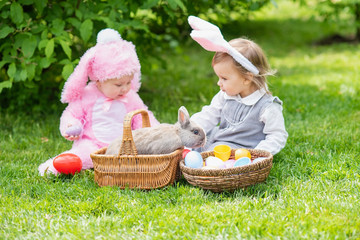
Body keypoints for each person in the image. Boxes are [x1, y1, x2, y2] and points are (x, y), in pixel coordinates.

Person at [38, 28, 159, 176]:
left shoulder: (131, 97)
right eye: (118, 85)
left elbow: (143, 117)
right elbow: (72, 114)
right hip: (92, 144)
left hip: (123, 147)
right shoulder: (88, 95)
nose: (125, 88)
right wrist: (72, 126)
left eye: (128, 82)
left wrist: (156, 133)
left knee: (142, 152)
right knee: (83, 154)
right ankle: (61, 165)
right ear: (100, 81)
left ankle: (124, 163)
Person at [188, 16, 288, 155]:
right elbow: (208, 115)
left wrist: (259, 154)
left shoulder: (267, 107)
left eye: (224, 78)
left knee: (210, 159)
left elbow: (277, 135)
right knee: (196, 143)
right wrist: (188, 132)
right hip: (217, 142)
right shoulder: (224, 96)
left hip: (241, 152)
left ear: (247, 78)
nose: (219, 83)